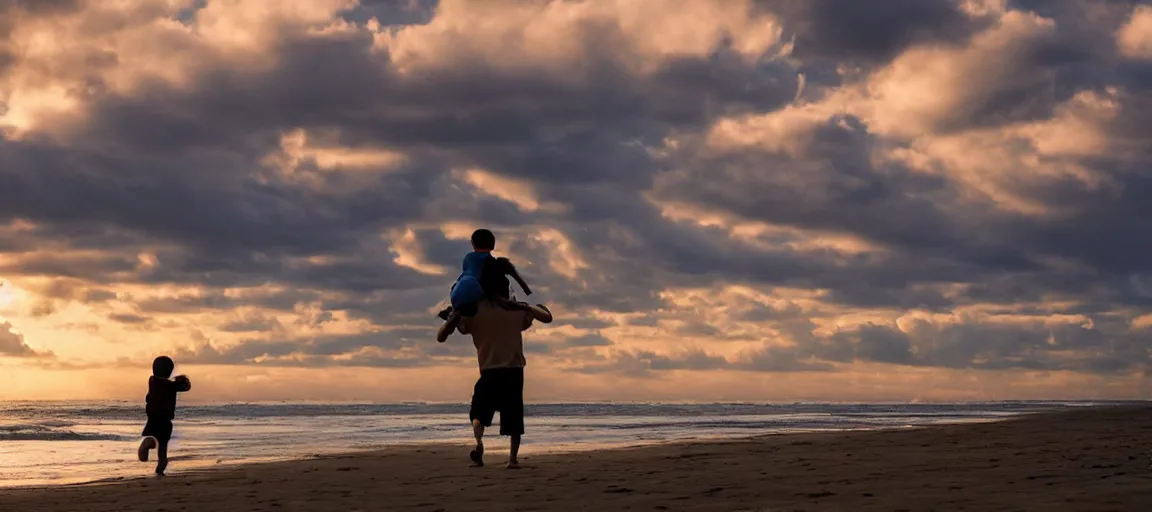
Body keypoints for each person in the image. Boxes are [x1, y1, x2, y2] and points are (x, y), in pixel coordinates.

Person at [441, 271, 552, 469]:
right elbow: (547, 317)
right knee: (514, 418)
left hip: (489, 370)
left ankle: (479, 444)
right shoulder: (515, 311)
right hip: (514, 371)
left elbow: (446, 334)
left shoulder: (475, 312)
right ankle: (512, 460)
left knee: (477, 414)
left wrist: (454, 314)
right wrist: (526, 306)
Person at [438, 229, 533, 342]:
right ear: (493, 245)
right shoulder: (497, 265)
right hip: (495, 302)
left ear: (473, 244)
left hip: (472, 304)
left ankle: (453, 314)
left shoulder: (469, 260)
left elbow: (441, 337)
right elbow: (546, 317)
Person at [137, 355, 192, 476]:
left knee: (154, 436)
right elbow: (186, 387)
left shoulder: (152, 381)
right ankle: (160, 468)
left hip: (153, 417)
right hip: (166, 420)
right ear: (170, 371)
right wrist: (182, 379)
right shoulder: (170, 386)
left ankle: (148, 442)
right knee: (162, 446)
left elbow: (149, 397)